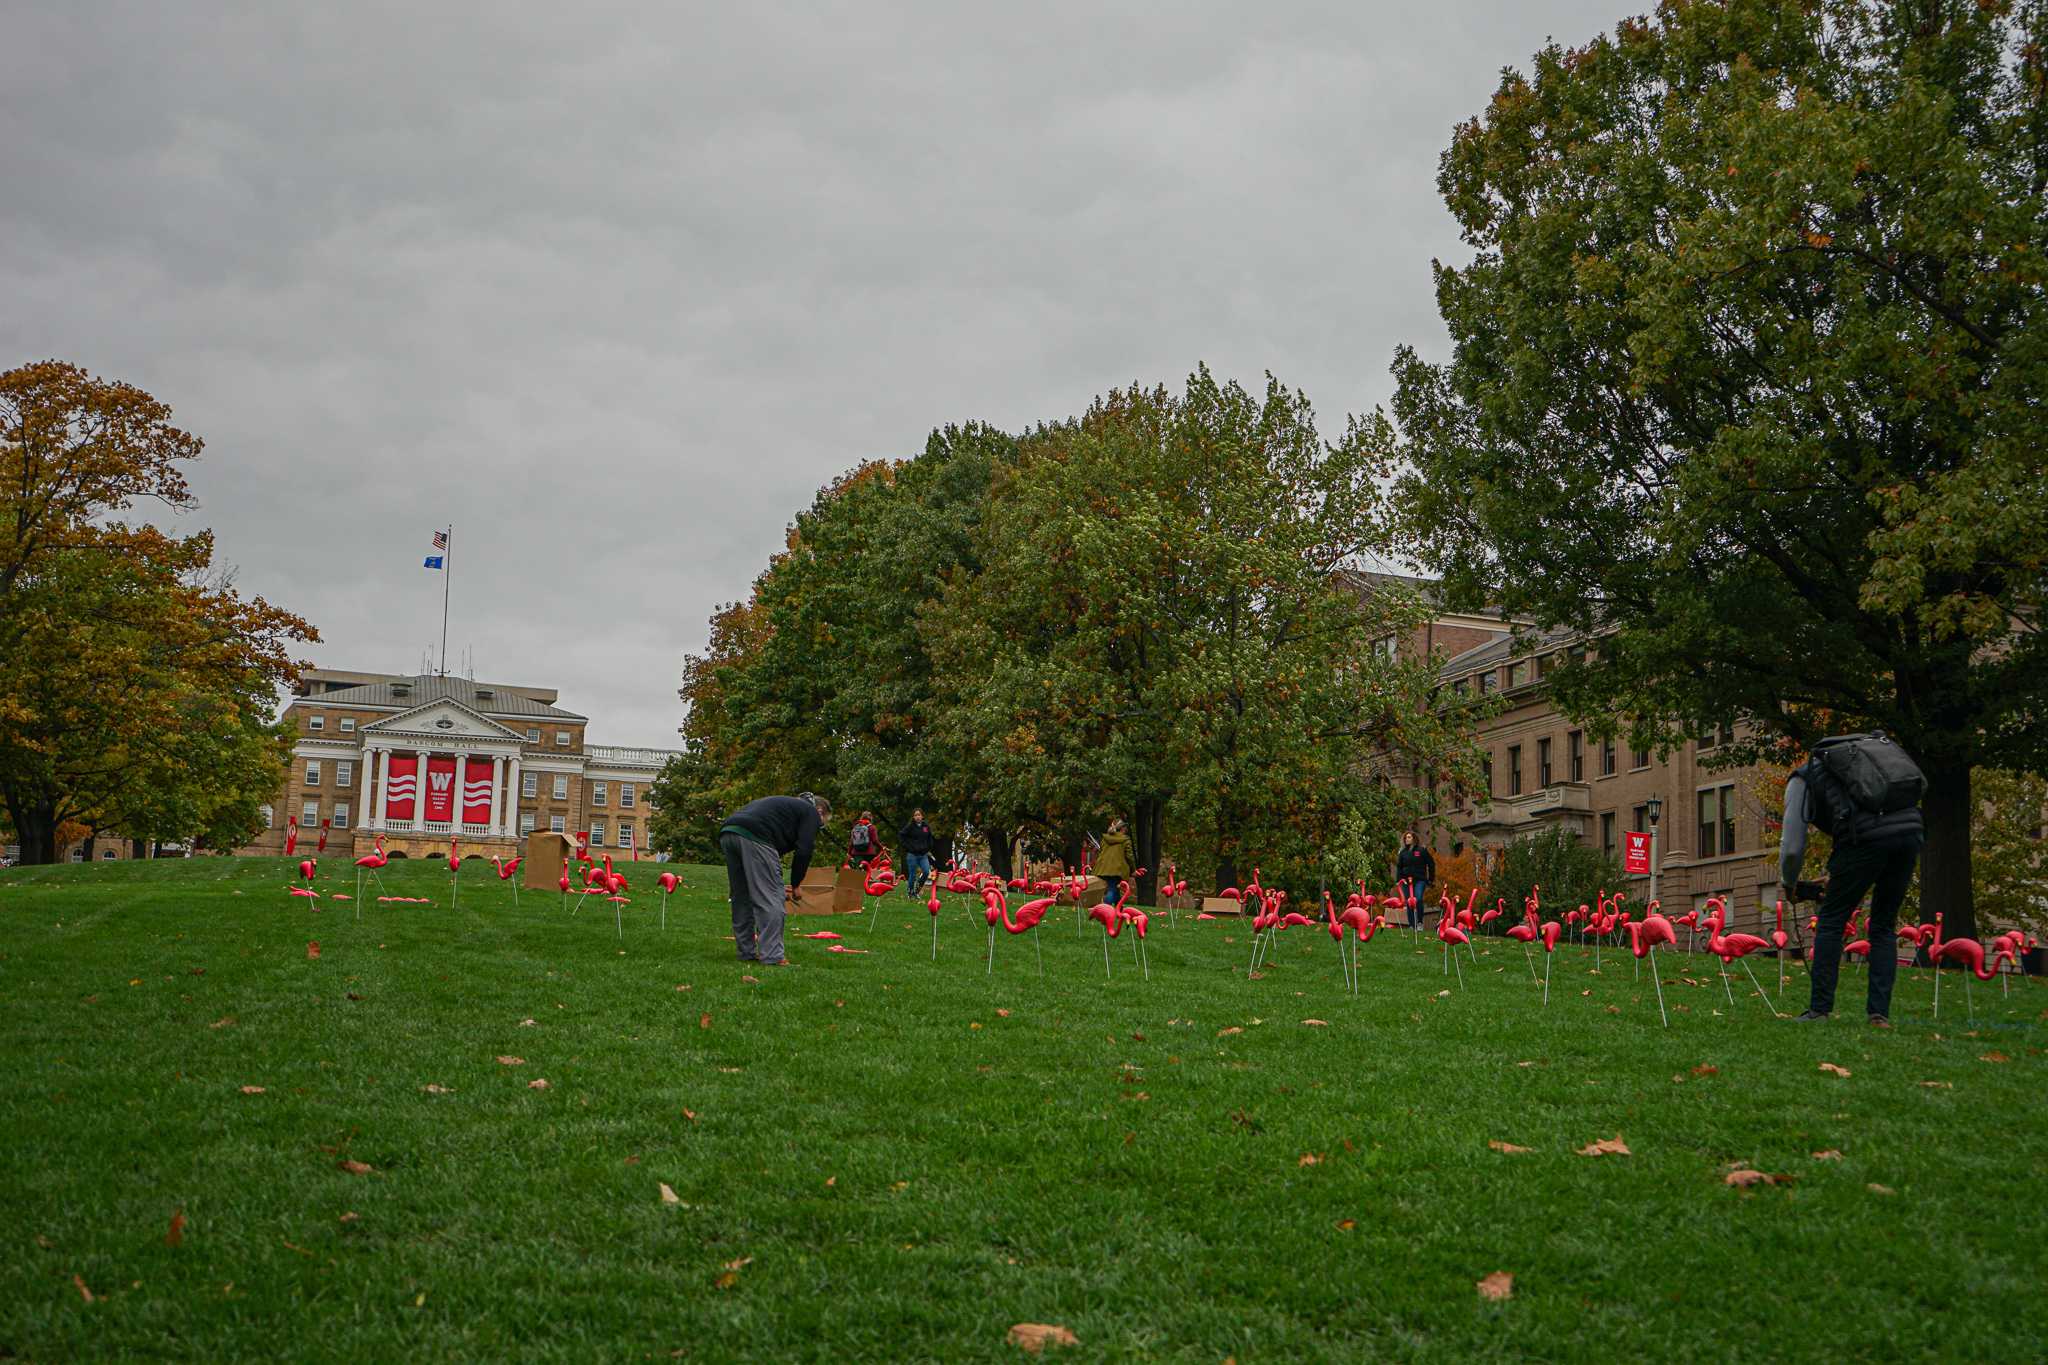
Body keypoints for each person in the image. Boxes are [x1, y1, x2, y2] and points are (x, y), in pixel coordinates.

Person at [1783, 734, 1925, 1026]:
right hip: (1910, 834)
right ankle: (1879, 1015)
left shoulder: (1801, 778)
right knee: (1884, 925)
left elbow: (1792, 847)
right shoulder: (1860, 765)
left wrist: (1790, 882)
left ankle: (1819, 1010)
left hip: (1863, 840)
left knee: (1832, 921)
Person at [718, 791, 830, 967]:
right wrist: (796, 884)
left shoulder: (784, 807)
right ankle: (772, 956)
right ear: (820, 811)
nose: (817, 828)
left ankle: (745, 952)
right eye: (821, 825)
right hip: (755, 835)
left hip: (729, 833)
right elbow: (804, 849)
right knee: (771, 898)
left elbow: (776, 850)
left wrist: (775, 879)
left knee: (742, 897)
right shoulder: (810, 812)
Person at [1395, 831, 1435, 930]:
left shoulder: (1421, 851)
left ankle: (1420, 922)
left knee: (1418, 899)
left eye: (1409, 837)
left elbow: (1431, 864)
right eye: (1405, 838)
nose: (1406, 839)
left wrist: (1430, 879)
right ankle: (1412, 925)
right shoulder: (1402, 853)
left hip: (1419, 880)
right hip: (1406, 882)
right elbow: (1399, 867)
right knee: (1409, 902)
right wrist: (1399, 880)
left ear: (1414, 839)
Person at [1093, 817, 1134, 906]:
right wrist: (1133, 870)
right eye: (1125, 827)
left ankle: (1119, 908)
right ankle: (1105, 908)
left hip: (1102, 868)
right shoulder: (1126, 840)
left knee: (1115, 889)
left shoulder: (1105, 838)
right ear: (1122, 828)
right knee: (1112, 889)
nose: (1126, 829)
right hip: (1117, 870)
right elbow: (1129, 857)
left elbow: (1100, 852)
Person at [898, 808, 935, 899]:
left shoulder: (926, 827)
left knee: (926, 872)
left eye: (919, 815)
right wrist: (908, 847)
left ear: (922, 816)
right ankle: (910, 893)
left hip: (923, 855)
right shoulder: (910, 826)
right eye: (915, 815)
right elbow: (901, 835)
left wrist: (928, 847)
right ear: (913, 817)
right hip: (912, 854)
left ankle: (917, 891)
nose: (917, 817)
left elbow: (930, 838)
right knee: (912, 875)